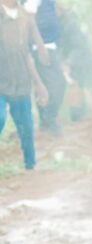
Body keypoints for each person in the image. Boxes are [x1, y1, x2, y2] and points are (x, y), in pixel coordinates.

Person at [0, 0, 47, 171]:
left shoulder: (24, 18)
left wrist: (39, 84)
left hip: (21, 83)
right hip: (1, 83)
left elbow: (26, 54)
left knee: (26, 128)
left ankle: (30, 167)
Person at [26, 0, 64, 135]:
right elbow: (29, 20)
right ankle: (48, 119)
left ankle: (46, 121)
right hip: (42, 47)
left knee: (52, 85)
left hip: (50, 45)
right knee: (57, 85)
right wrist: (40, 46)